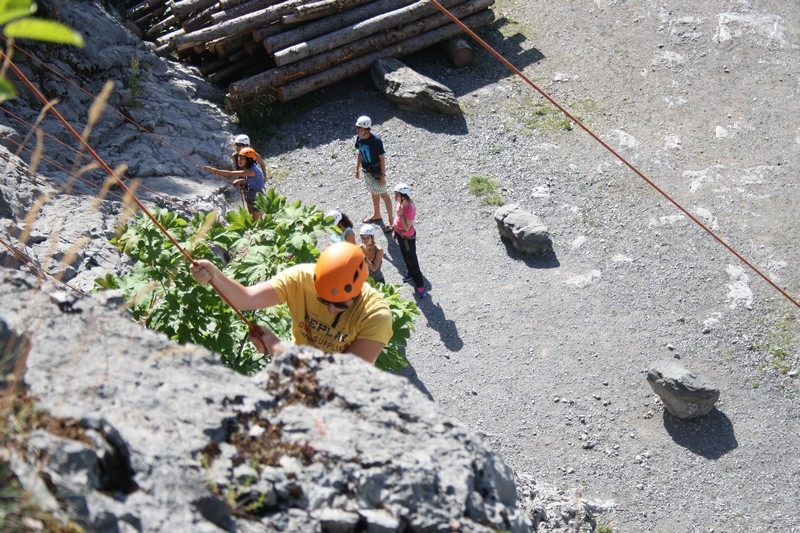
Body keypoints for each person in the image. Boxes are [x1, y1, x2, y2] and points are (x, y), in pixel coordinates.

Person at [190, 241, 393, 364]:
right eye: (322, 300)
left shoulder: (375, 315)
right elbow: (247, 299)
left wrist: (279, 349)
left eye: (340, 305)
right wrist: (214, 277)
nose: (330, 309)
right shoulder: (300, 279)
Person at [205, 146, 265, 220]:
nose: (239, 160)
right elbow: (254, 180)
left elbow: (231, 173)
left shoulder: (251, 170)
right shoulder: (249, 168)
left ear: (249, 160)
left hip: (257, 195)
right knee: (252, 217)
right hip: (251, 192)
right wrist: (240, 181)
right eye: (239, 157)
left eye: (242, 158)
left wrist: (213, 170)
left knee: (257, 220)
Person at [354, 116, 392, 230]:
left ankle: (391, 221)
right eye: (357, 129)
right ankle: (377, 214)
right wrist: (357, 169)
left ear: (367, 129)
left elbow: (382, 159)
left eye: (360, 129)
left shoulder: (376, 141)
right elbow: (360, 153)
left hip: (377, 172)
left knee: (384, 195)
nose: (358, 131)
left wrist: (382, 175)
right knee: (373, 193)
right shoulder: (359, 139)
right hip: (367, 171)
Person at [392, 183, 426, 298]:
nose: (394, 196)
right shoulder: (399, 203)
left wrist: (401, 215)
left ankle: (420, 285)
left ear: (403, 195)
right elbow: (396, 218)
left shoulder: (409, 209)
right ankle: (410, 274)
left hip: (408, 238)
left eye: (396, 194)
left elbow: (407, 227)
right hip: (400, 235)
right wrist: (394, 230)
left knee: (412, 259)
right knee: (405, 256)